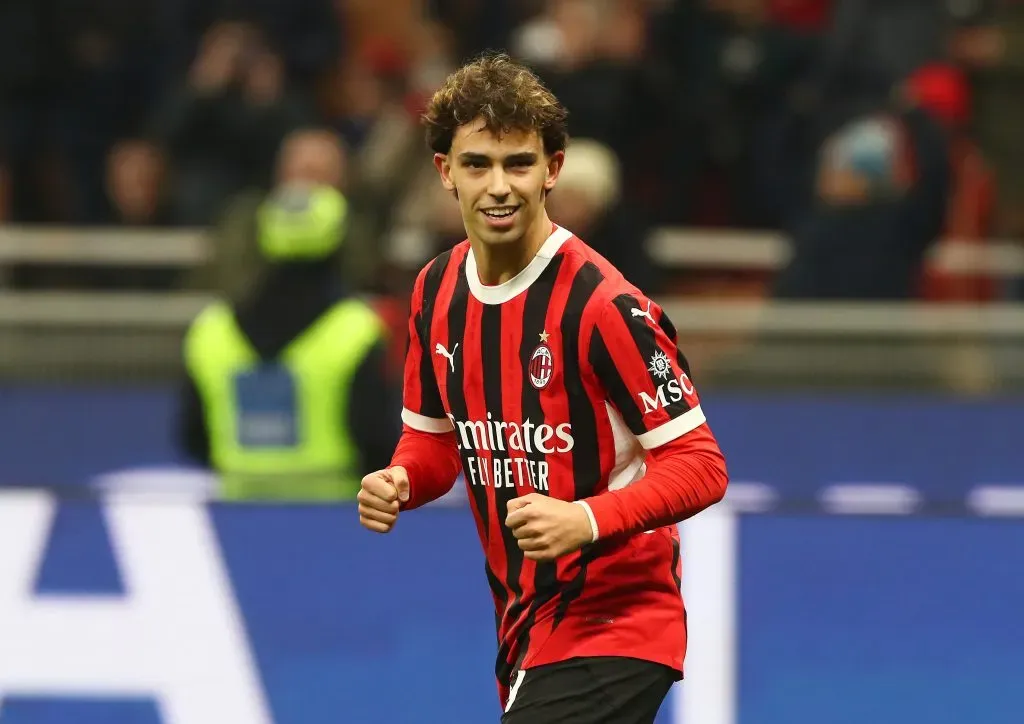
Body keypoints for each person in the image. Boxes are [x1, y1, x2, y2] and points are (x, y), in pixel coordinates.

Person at [357, 53, 729, 723]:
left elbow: (701, 466)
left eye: (518, 164)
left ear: (552, 168)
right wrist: (402, 481)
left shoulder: (604, 305)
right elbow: (435, 441)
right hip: (524, 619)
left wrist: (584, 518)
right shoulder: (434, 291)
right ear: (445, 172)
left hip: (617, 618)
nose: (499, 187)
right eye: (478, 164)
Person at [178, 183, 401, 500]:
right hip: (334, 511)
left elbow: (192, 436)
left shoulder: (211, 330)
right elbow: (377, 439)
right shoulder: (356, 329)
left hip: (237, 508)